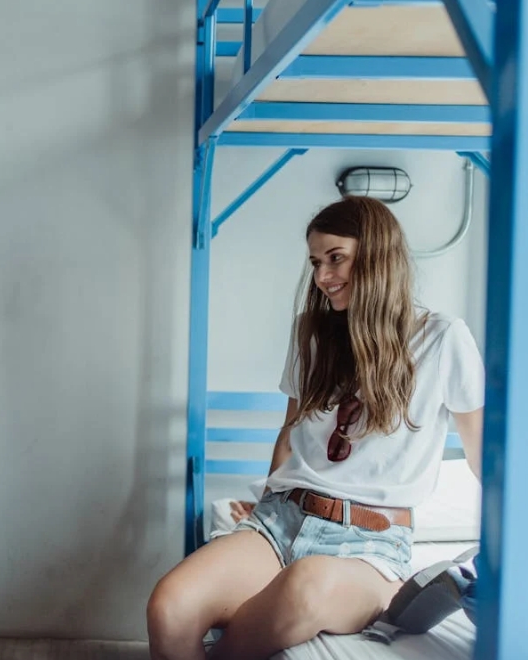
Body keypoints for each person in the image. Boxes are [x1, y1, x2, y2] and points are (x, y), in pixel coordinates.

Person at [146, 197, 485, 660]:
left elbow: (483, 456)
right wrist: (267, 497)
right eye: (315, 262)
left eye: (335, 258)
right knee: (170, 607)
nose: (323, 276)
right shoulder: (311, 332)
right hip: (280, 521)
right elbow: (290, 433)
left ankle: (380, 592)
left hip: (371, 545)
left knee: (304, 586)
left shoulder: (443, 338)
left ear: (377, 255)